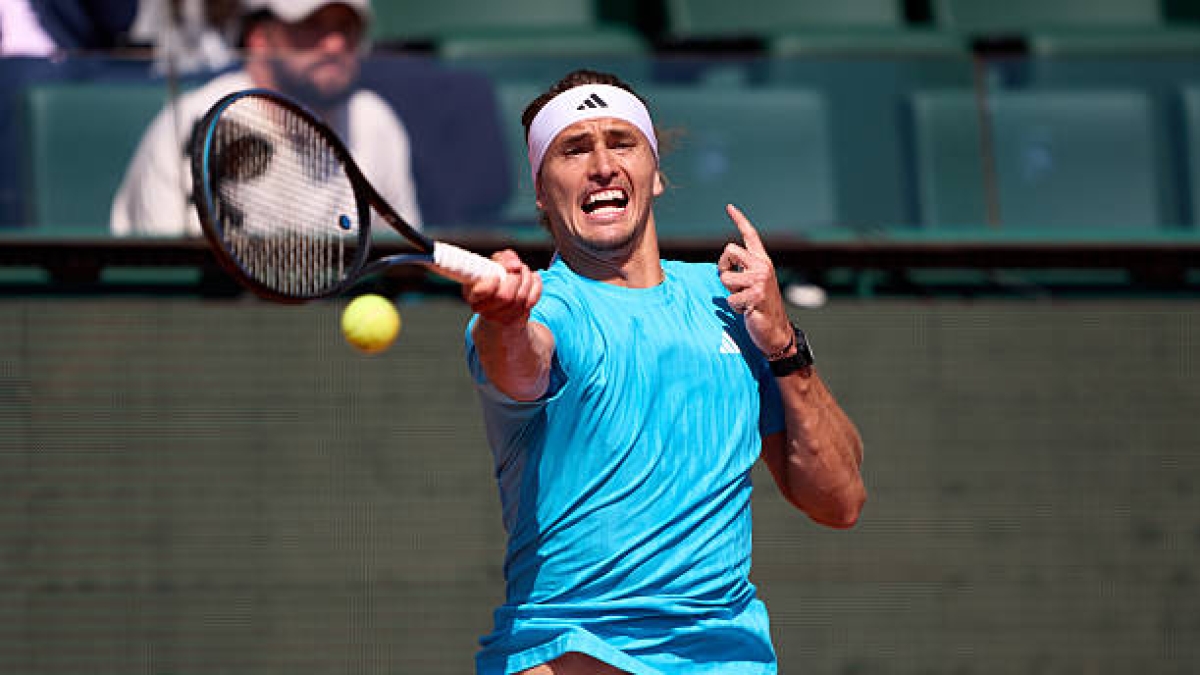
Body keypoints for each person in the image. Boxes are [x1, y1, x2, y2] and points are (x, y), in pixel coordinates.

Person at [461, 69, 866, 675]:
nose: (601, 165)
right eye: (574, 149)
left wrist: (783, 345)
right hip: (572, 653)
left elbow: (839, 502)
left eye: (620, 142)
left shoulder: (729, 301)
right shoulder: (541, 308)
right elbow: (521, 366)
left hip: (728, 658)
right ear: (543, 194)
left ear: (656, 173)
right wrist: (506, 320)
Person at [110, 0, 420, 236]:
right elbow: (172, 273)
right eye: (311, 26)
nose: (334, 44)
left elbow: (397, 267)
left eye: (346, 29)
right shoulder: (196, 121)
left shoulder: (376, 122)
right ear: (259, 38)